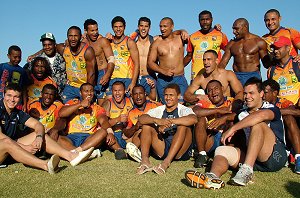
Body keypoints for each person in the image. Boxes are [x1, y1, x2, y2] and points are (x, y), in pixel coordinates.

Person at [185, 77, 287, 189]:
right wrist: (226, 121)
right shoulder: (242, 113)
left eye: (251, 93)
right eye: (245, 93)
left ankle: (246, 171)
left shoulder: (271, 108)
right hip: (254, 159)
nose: (247, 97)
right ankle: (212, 177)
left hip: (274, 156)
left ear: (261, 94)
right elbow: (233, 116)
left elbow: (259, 116)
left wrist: (232, 129)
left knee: (257, 124)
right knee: (221, 150)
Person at [0, 83, 95, 171]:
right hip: (4, 145)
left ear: (19, 98)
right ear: (4, 95)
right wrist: (24, 147)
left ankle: (71, 156)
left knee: (39, 134)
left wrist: (39, 137)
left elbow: (38, 125)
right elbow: (1, 137)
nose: (12, 99)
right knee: (7, 141)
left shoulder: (17, 112)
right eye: (9, 95)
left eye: (16, 97)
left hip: (8, 148)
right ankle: (45, 165)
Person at [137, 84, 197, 175]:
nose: (168, 98)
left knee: (183, 125)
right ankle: (145, 161)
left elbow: (194, 119)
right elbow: (141, 119)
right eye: (166, 95)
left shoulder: (184, 109)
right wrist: (157, 121)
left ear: (178, 96)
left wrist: (170, 122)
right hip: (163, 147)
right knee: (146, 125)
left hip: (180, 150)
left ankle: (166, 163)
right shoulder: (160, 109)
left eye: (171, 95)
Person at [57, 83, 112, 156]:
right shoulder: (72, 103)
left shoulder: (97, 108)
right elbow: (61, 113)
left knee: (103, 132)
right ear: (80, 93)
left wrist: (110, 132)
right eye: (86, 91)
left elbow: (104, 121)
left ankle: (77, 152)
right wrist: (80, 105)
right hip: (71, 137)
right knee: (57, 138)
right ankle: (85, 153)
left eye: (91, 91)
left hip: (88, 138)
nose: (89, 93)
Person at [192, 80, 238, 168]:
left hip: (226, 136)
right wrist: (217, 110)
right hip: (210, 138)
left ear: (222, 89)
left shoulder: (231, 101)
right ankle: (202, 154)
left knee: (232, 121)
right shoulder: (206, 102)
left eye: (216, 88)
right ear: (207, 94)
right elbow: (195, 111)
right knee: (200, 118)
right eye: (210, 90)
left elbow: (239, 115)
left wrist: (223, 118)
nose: (213, 92)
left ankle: (229, 153)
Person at [262, 79, 300, 174]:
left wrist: (272, 113)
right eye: (262, 92)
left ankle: (298, 157)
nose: (263, 95)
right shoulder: (260, 102)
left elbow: (296, 112)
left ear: (274, 93)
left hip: (283, 137)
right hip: (267, 138)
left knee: (289, 118)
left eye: (265, 93)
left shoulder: (284, 102)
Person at [218, 18, 270, 85]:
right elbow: (222, 64)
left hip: (253, 76)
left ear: (245, 27)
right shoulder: (232, 44)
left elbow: (266, 65)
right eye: (233, 29)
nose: (233, 32)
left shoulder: (259, 42)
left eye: (236, 29)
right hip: (237, 76)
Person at [147, 17, 188, 103]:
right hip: (163, 80)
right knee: (166, 106)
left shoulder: (181, 38)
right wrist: (163, 71)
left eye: (165, 26)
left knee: (181, 105)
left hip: (179, 78)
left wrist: (182, 30)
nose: (162, 29)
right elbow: (150, 63)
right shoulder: (157, 43)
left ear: (172, 26)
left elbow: (191, 53)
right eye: (160, 26)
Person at [56, 26, 97, 103]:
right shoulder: (62, 48)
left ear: (81, 37)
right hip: (70, 86)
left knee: (86, 110)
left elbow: (91, 74)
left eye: (76, 36)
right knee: (65, 109)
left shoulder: (88, 51)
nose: (73, 39)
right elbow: (49, 47)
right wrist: (34, 55)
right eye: (70, 36)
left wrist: (88, 92)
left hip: (84, 86)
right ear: (67, 37)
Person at [184, 10, 228, 80]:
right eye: (202, 20)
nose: (205, 22)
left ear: (212, 19)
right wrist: (178, 68)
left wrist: (221, 66)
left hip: (215, 76)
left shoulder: (220, 35)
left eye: (207, 19)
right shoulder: (192, 36)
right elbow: (189, 56)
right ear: (199, 21)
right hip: (197, 76)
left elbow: (228, 52)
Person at [82, 19, 115, 105]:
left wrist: (107, 75)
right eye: (92, 30)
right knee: (90, 101)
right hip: (90, 75)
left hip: (102, 73)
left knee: (102, 102)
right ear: (86, 31)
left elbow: (111, 60)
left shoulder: (102, 41)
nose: (95, 32)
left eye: (96, 30)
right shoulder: (83, 43)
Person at [26, 32, 66, 97]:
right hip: (45, 97)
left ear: (54, 44)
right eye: (44, 45)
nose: (47, 47)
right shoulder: (37, 60)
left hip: (62, 95)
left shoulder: (62, 57)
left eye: (49, 44)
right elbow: (27, 73)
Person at [108, 16, 140, 95]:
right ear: (112, 28)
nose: (118, 29)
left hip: (127, 79)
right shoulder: (108, 42)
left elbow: (137, 63)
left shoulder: (129, 42)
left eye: (120, 27)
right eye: (115, 27)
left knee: (127, 105)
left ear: (124, 27)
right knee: (110, 104)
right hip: (112, 79)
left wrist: (133, 82)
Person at [102, 81, 133, 159]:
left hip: (127, 134)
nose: (117, 93)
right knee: (106, 135)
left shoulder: (131, 101)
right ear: (112, 92)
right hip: (114, 135)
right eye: (115, 91)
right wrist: (117, 119)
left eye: (120, 90)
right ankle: (119, 151)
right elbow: (103, 124)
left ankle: (134, 150)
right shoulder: (108, 103)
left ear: (125, 91)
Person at [129, 17, 158, 100]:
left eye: (146, 26)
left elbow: (169, 34)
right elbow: (119, 40)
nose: (143, 28)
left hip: (149, 77)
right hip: (136, 77)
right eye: (141, 26)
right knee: (133, 102)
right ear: (138, 27)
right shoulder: (133, 43)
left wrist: (181, 31)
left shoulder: (154, 41)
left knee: (152, 103)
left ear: (149, 28)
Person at [267, 36, 300, 105]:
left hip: (296, 108)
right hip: (280, 111)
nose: (275, 51)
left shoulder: (297, 64)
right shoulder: (271, 70)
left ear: (288, 48)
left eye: (278, 48)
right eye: (274, 48)